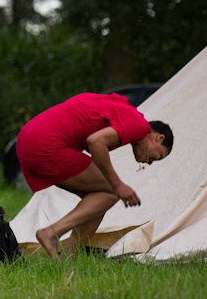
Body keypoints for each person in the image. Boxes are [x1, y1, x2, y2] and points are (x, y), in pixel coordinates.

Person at [15, 92, 174, 258]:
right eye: (158, 157)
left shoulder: (124, 113)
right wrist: (118, 185)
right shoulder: (140, 125)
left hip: (28, 139)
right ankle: (51, 233)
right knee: (111, 192)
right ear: (158, 138)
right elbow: (95, 141)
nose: (150, 162)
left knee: (99, 202)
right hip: (44, 143)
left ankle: (67, 258)